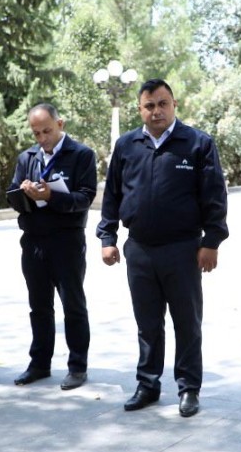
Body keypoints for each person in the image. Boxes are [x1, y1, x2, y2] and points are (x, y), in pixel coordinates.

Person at [96, 78, 229, 417]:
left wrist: (211, 241)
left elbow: (214, 196)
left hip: (183, 249)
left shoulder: (197, 143)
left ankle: (188, 388)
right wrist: (107, 238)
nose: (156, 111)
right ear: (140, 109)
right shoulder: (127, 146)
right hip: (139, 249)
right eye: (149, 105)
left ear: (174, 105)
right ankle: (148, 384)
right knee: (148, 322)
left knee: (187, 321)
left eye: (162, 103)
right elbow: (112, 195)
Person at [9, 104, 97, 390]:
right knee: (39, 306)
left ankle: (77, 366)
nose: (42, 138)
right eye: (36, 133)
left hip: (67, 242)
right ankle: (39, 364)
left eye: (47, 130)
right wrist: (24, 193)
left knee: (73, 305)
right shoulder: (27, 157)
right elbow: (14, 199)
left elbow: (85, 197)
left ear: (60, 123)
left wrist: (52, 196)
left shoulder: (81, 155)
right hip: (34, 242)